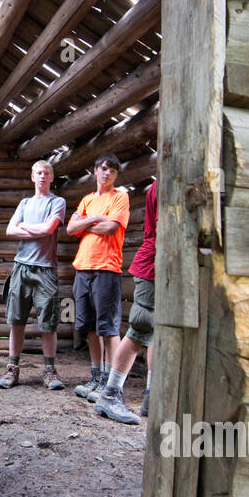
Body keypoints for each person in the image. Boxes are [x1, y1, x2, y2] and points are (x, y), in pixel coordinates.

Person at [0, 160, 66, 391]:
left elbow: (48, 229)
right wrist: (33, 228)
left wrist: (24, 227)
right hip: (21, 268)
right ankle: (12, 369)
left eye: (47, 173)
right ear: (32, 177)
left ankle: (49, 371)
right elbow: (9, 230)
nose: (43, 176)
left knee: (48, 322)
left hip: (45, 269)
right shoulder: (25, 203)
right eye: (39, 172)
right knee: (16, 320)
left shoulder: (57, 202)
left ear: (52, 177)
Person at [67, 153, 130, 403]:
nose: (107, 174)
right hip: (83, 268)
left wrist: (84, 225)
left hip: (107, 269)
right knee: (90, 328)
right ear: (95, 170)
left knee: (108, 328)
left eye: (113, 171)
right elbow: (71, 228)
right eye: (104, 169)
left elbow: (111, 227)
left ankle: (111, 383)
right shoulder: (87, 200)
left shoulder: (120, 197)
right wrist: (94, 218)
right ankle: (96, 377)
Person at [94, 178, 156, 424]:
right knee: (142, 328)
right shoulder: (164, 185)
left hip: (161, 266)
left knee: (154, 334)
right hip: (153, 267)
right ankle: (111, 394)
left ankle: (152, 398)